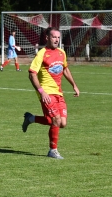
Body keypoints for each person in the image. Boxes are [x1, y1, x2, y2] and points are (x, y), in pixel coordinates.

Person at [22, 27, 80, 159]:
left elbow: (65, 69)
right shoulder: (41, 53)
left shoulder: (61, 53)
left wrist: (74, 85)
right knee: (55, 120)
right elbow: (32, 74)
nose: (57, 40)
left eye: (58, 37)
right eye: (54, 37)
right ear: (47, 38)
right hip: (46, 92)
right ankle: (52, 151)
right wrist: (42, 92)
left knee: (62, 123)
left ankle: (31, 118)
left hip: (58, 92)